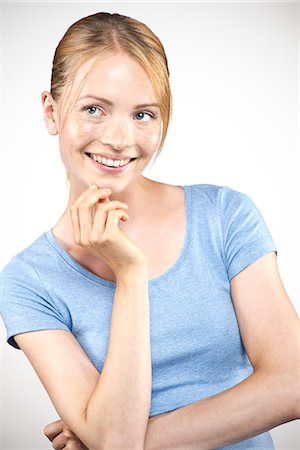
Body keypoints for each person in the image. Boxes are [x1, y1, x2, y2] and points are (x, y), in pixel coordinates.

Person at [0, 11, 299, 450]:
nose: (120, 139)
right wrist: (131, 273)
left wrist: (116, 442)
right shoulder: (29, 281)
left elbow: (292, 384)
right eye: (93, 109)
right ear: (51, 111)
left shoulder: (223, 215)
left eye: (142, 114)